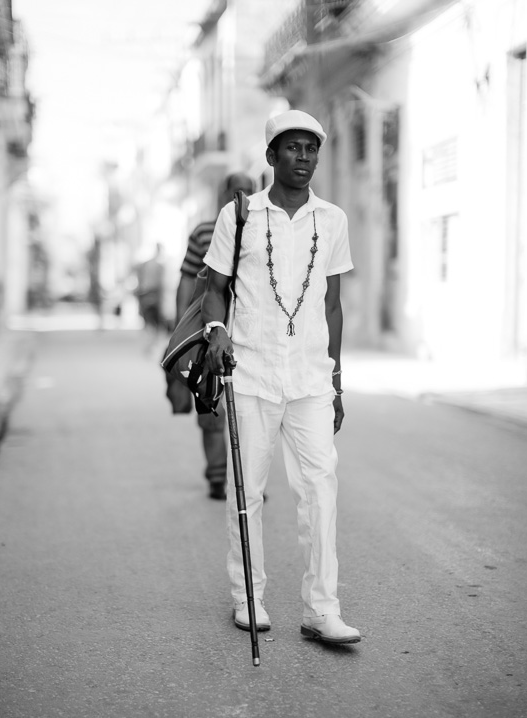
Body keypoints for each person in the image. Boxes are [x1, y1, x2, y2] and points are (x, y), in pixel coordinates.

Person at [201, 110, 361, 644]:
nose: (303, 158)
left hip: (312, 379)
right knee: (248, 492)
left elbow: (332, 307)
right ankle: (250, 598)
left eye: (311, 149)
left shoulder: (332, 220)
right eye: (292, 148)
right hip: (250, 374)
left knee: (321, 490)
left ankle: (323, 609)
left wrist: (336, 383)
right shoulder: (239, 216)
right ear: (271, 157)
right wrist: (217, 329)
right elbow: (214, 286)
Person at [173, 172, 256, 500]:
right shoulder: (204, 231)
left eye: (248, 192)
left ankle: (249, 481)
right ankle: (216, 476)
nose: (242, 197)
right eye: (236, 191)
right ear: (222, 193)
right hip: (210, 328)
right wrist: (181, 328)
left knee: (250, 412)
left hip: (249, 332)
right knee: (210, 405)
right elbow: (186, 280)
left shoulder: (265, 228)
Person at [135, 243, 165, 353]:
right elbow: (161, 285)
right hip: (154, 296)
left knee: (148, 323)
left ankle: (149, 345)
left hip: (145, 295)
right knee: (156, 324)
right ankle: (151, 346)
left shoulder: (145, 264)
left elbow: (140, 281)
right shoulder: (160, 266)